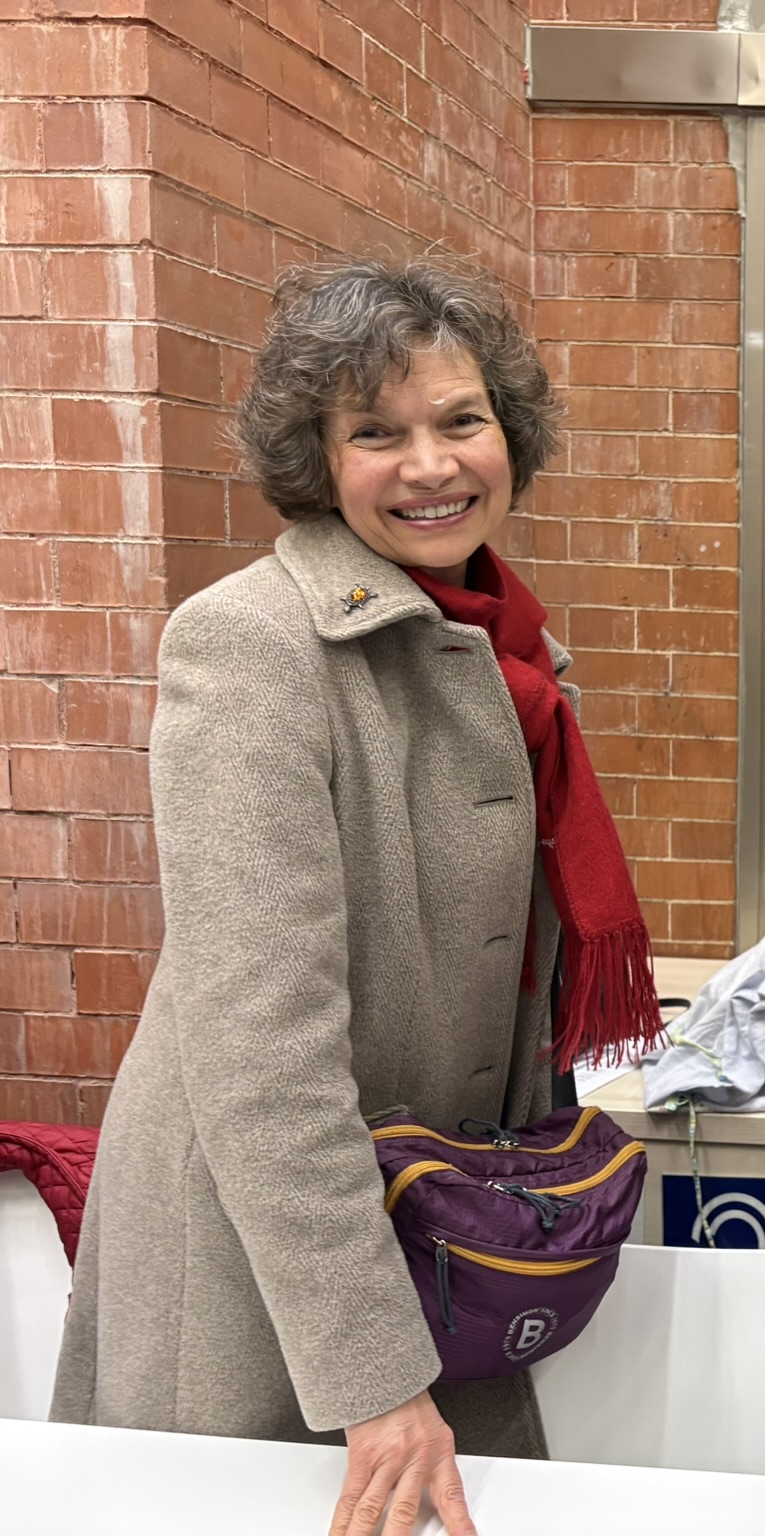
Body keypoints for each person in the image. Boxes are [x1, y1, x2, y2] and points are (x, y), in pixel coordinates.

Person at [50, 259, 664, 1536]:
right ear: (318, 460)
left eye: (460, 420)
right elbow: (261, 1053)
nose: (430, 465)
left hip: (430, 1230)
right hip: (274, 1271)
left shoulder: (508, 649)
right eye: (376, 433)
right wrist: (377, 1377)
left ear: (509, 435)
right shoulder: (253, 644)